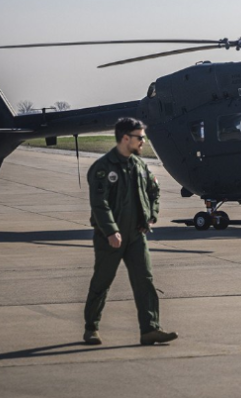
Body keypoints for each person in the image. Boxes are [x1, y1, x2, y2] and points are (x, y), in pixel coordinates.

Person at [83, 118, 177, 346]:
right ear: (126, 138)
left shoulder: (139, 166)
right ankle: (91, 328)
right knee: (102, 282)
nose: (143, 141)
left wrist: (151, 215)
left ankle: (150, 329)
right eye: (140, 137)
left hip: (136, 235)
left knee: (144, 281)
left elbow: (154, 191)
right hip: (110, 238)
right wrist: (111, 231)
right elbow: (99, 204)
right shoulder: (103, 168)